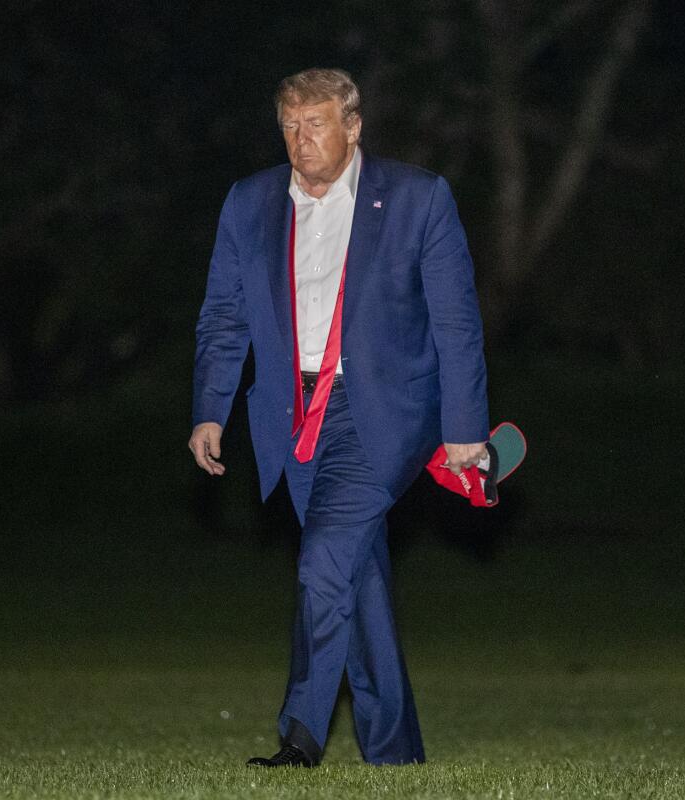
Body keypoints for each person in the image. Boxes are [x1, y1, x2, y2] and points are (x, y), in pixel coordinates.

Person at [188, 67, 489, 767]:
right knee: (357, 577)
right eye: (290, 127)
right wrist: (210, 409)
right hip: (291, 412)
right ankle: (394, 750)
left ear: (353, 126)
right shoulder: (250, 202)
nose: (301, 141)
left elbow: (456, 322)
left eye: (316, 124)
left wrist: (465, 428)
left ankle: (299, 735)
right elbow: (224, 317)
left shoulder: (418, 198)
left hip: (382, 409)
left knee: (323, 562)